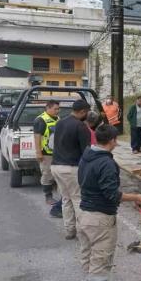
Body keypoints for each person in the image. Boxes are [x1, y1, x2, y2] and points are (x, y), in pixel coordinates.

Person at [77, 124, 141, 281]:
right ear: (111, 141)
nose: (116, 143)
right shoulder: (107, 164)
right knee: (101, 260)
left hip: (84, 215)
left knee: (88, 258)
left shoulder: (86, 156)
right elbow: (111, 194)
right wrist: (137, 197)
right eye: (116, 140)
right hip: (100, 219)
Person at [51, 99, 91, 239]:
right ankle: (83, 232)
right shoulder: (81, 127)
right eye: (87, 112)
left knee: (66, 199)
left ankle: (69, 230)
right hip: (71, 169)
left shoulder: (60, 122)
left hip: (55, 166)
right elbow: (86, 152)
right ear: (82, 112)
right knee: (77, 199)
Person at [33, 100, 60, 205]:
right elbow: (37, 137)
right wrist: (38, 152)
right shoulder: (41, 120)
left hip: (57, 152)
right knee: (47, 174)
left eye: (58, 109)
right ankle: (48, 196)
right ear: (48, 108)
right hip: (46, 153)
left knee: (56, 174)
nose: (57, 111)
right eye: (55, 109)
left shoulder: (57, 118)